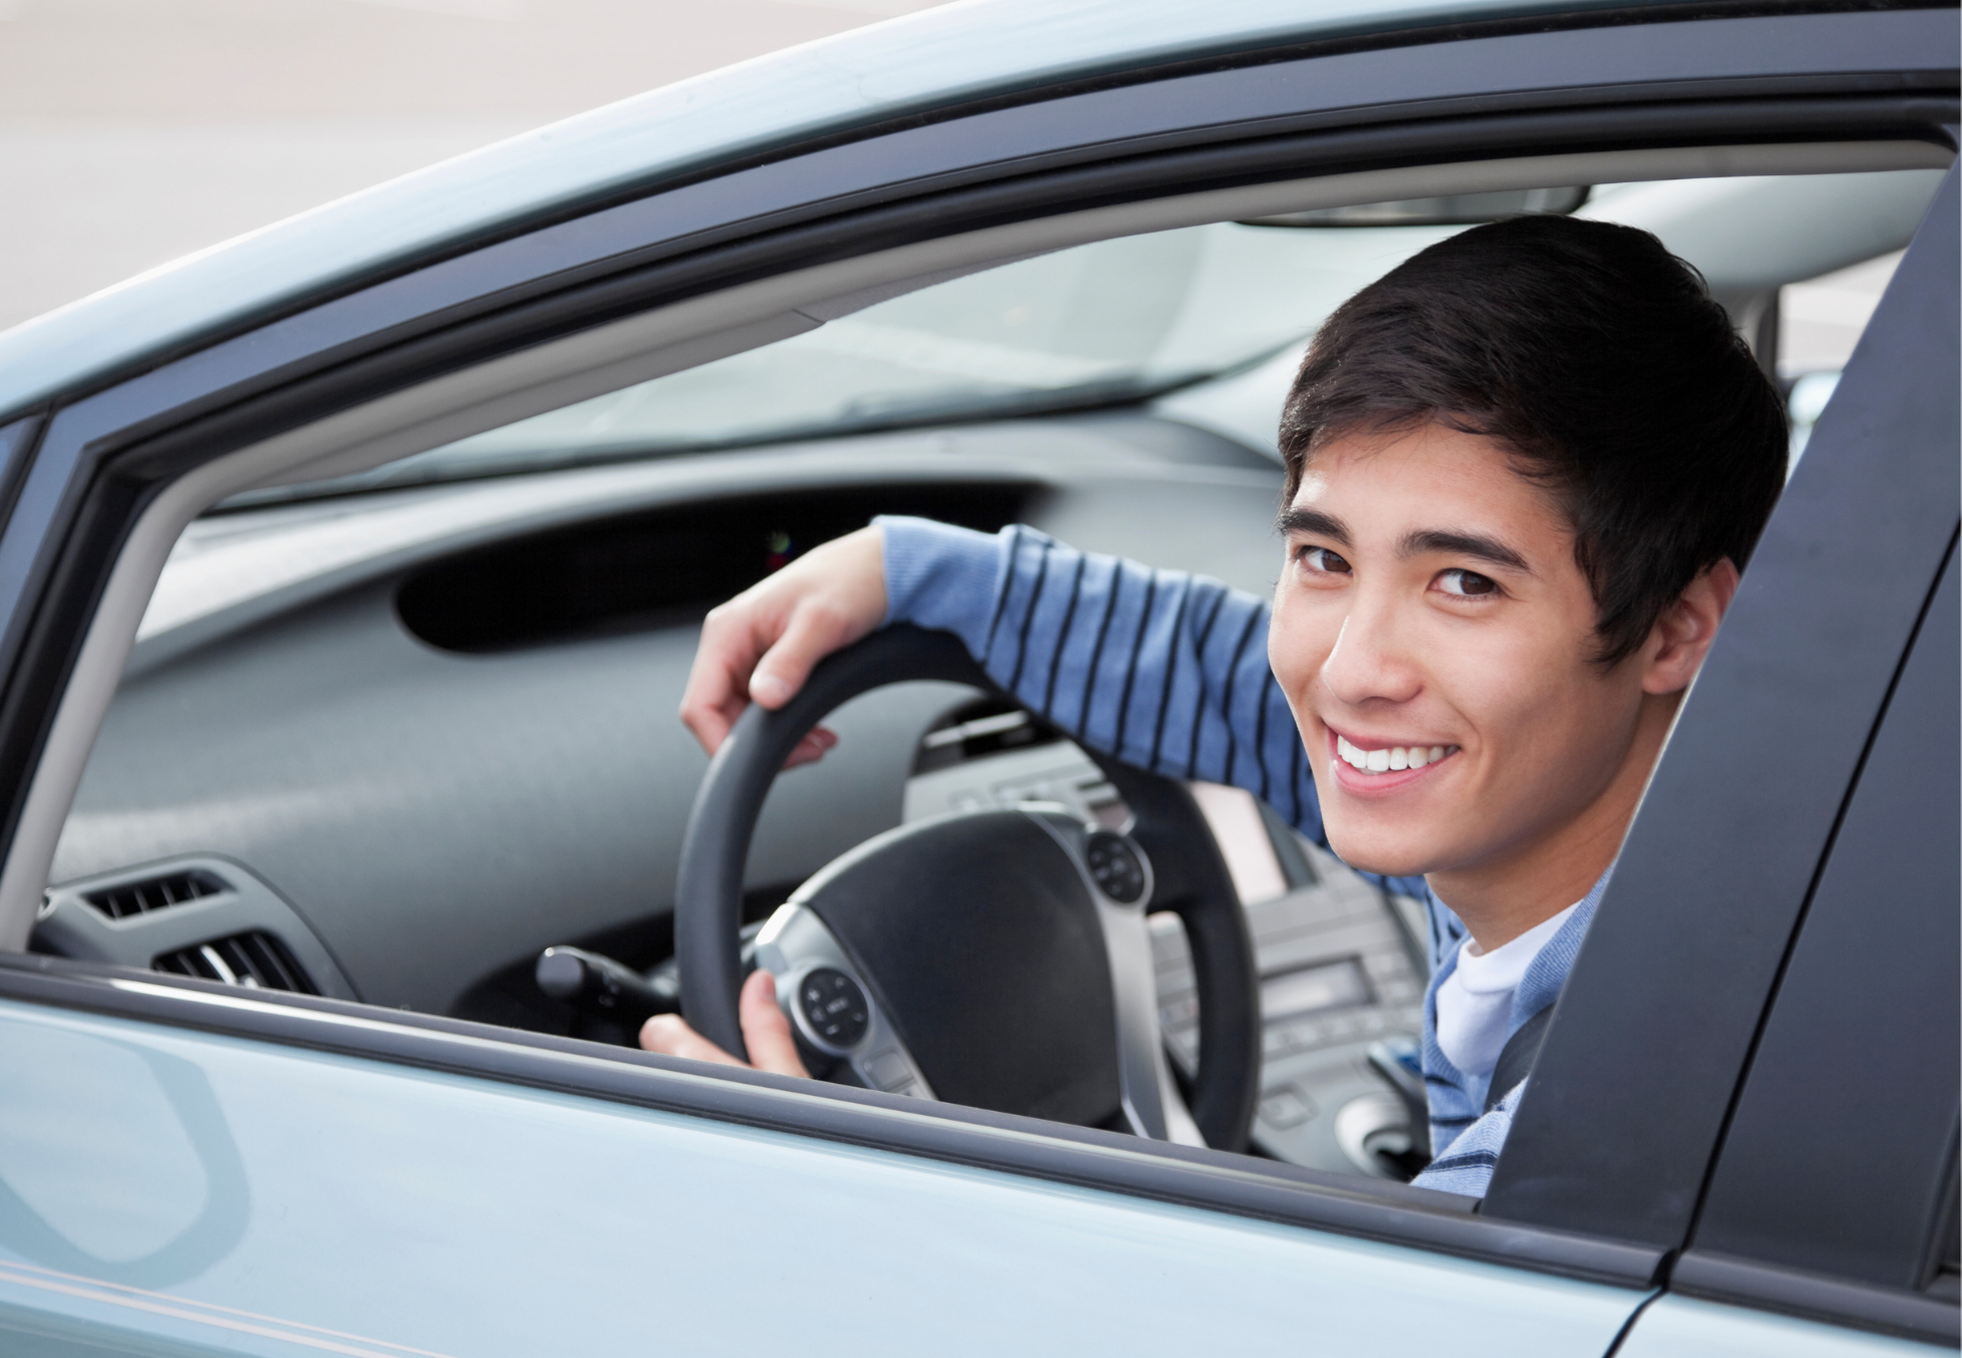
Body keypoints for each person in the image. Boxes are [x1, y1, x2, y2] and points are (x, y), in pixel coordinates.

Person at [640, 214, 1787, 1195]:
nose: (1349, 672)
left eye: (1463, 584)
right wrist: (914, 571)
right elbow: (1219, 675)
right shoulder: (1638, 826)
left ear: (1675, 629)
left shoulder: (1607, 1126)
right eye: (1323, 559)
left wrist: (817, 1200)